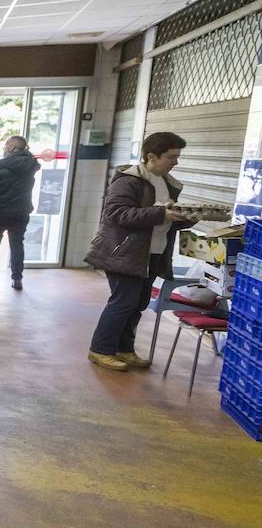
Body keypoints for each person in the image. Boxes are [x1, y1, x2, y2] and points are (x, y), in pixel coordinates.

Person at [85, 132, 194, 372]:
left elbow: (163, 219)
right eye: (171, 157)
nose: (175, 162)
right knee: (123, 302)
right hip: (124, 253)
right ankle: (100, 350)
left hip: (153, 253)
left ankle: (124, 349)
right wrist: (160, 213)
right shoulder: (129, 181)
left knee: (138, 303)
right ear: (151, 156)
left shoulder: (168, 183)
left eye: (178, 156)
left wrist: (185, 218)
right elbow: (116, 214)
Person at [0, 136, 41, 290]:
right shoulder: (31, 165)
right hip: (21, 211)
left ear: (12, 147)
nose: (4, 147)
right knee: (17, 244)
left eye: (6, 145)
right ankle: (17, 278)